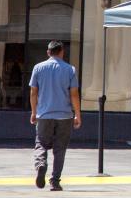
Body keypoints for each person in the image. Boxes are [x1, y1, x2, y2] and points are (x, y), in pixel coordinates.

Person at [30, 40, 82, 191]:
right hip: (64, 116)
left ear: (48, 52)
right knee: (60, 149)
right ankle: (55, 181)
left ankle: (40, 165)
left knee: (40, 143)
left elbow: (33, 92)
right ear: (62, 52)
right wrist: (77, 115)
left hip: (44, 114)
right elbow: (74, 94)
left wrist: (34, 112)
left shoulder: (38, 68)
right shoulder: (70, 69)